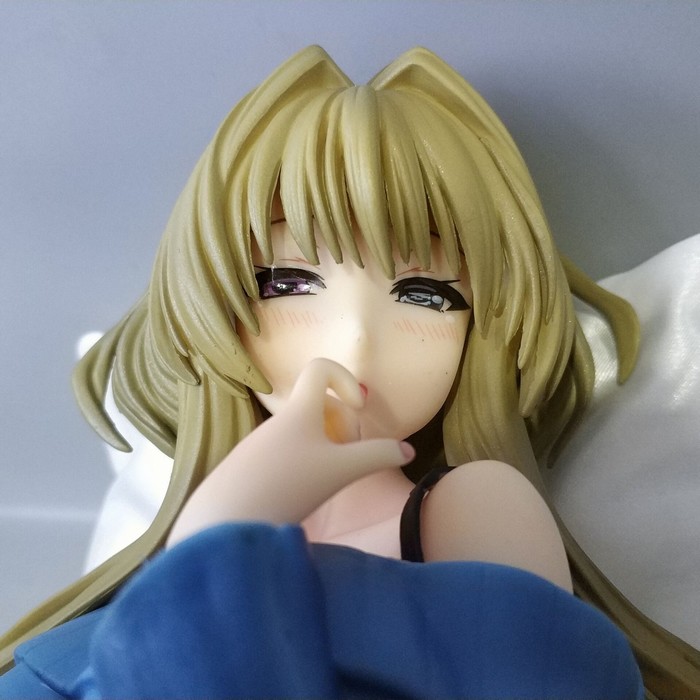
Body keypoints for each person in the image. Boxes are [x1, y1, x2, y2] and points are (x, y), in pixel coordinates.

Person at [0, 45, 690, 697]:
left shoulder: (475, 507)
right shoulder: (137, 588)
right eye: (288, 284)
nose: (356, 338)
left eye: (426, 296)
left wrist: (220, 530)